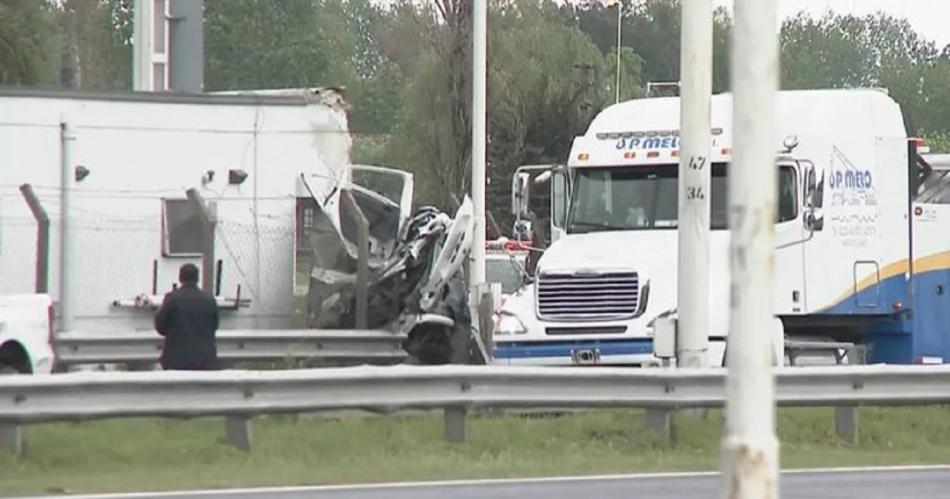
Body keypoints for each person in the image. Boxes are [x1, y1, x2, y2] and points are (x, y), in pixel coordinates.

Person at [154, 263, 219, 370]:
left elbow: (161, 328)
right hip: (205, 359)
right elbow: (215, 325)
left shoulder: (172, 298)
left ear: (180, 278)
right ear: (197, 278)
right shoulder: (209, 300)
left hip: (176, 360)